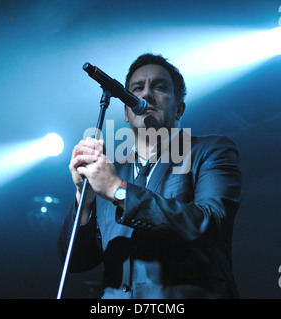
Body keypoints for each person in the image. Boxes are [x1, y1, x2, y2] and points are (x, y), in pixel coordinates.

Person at [58, 53, 241, 299]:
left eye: (159, 87)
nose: (146, 94)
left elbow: (208, 223)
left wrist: (118, 190)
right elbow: (77, 261)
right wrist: (85, 198)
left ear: (178, 109)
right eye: (137, 88)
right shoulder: (110, 172)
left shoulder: (210, 150)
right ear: (126, 111)